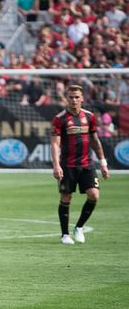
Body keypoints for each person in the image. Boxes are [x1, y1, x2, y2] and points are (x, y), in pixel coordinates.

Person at [51, 84, 109, 245]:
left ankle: (79, 227)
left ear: (82, 98)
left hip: (87, 164)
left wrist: (103, 163)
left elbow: (95, 141)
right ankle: (65, 235)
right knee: (66, 197)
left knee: (94, 195)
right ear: (66, 99)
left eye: (77, 97)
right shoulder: (60, 118)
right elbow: (55, 144)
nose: (74, 100)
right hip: (67, 165)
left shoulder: (89, 117)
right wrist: (56, 165)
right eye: (71, 97)